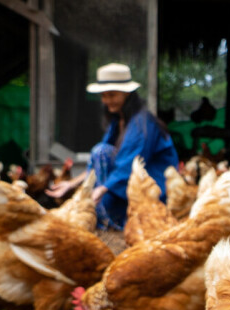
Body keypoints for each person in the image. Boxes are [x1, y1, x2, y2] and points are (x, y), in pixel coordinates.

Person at [47, 63, 179, 230]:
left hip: (154, 189)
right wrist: (72, 184)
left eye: (112, 95)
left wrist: (99, 191)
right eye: (103, 95)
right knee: (100, 151)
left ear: (127, 93)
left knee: (101, 152)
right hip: (127, 185)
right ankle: (109, 213)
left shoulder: (141, 123)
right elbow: (98, 163)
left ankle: (114, 217)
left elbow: (127, 165)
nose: (106, 100)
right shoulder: (118, 121)